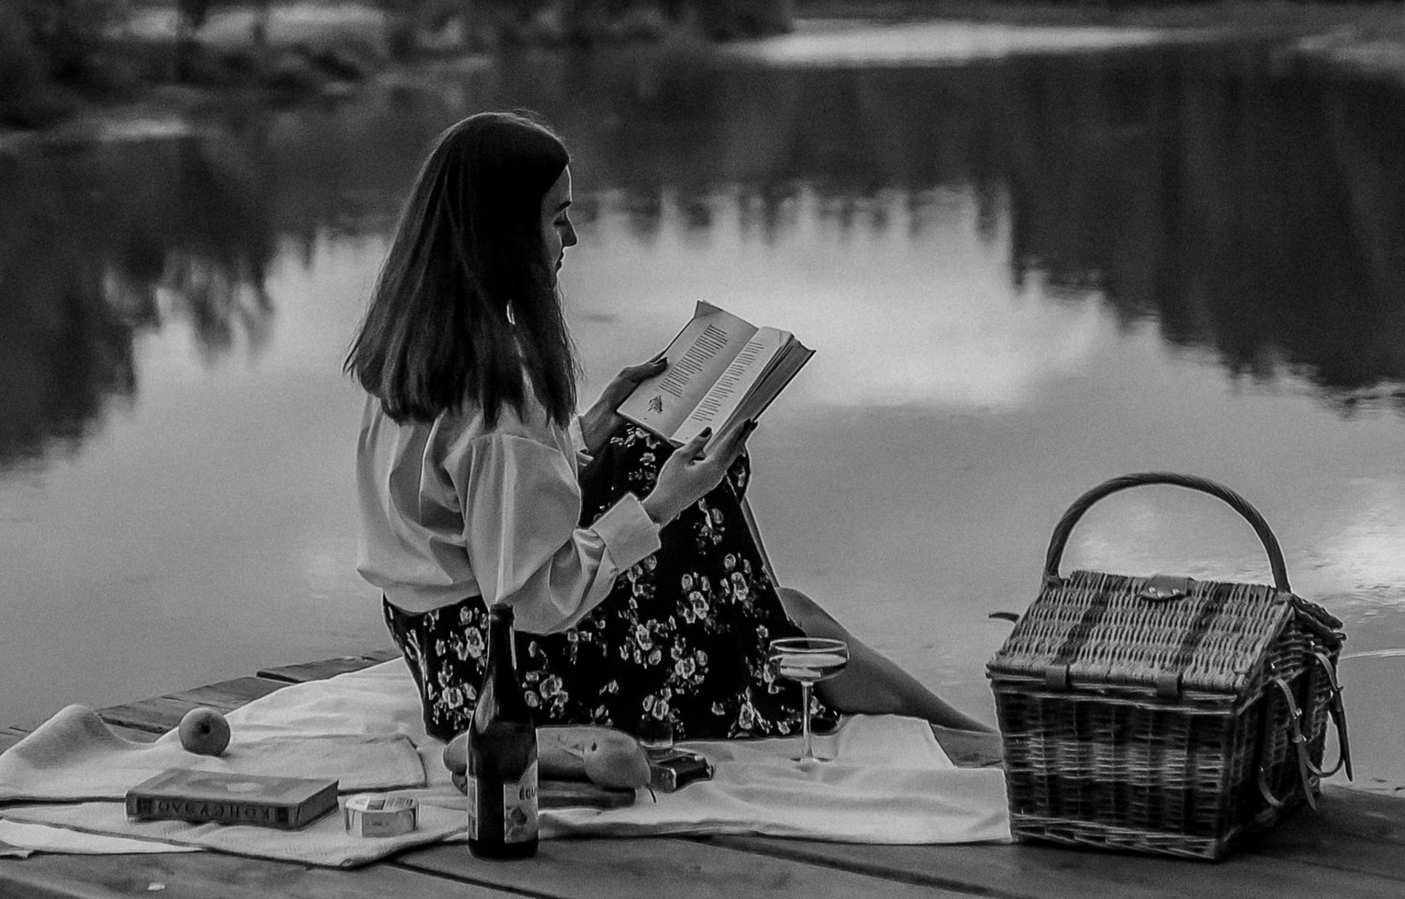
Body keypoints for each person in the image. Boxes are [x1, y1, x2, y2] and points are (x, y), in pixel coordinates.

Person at [350, 107, 986, 745]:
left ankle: (960, 732)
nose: (570, 239)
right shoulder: (497, 393)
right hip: (511, 675)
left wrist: (593, 427)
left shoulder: (416, 347)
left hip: (440, 652)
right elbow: (532, 597)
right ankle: (976, 744)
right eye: (557, 217)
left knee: (647, 449)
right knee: (781, 615)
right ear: (505, 231)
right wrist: (662, 505)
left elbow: (470, 500)